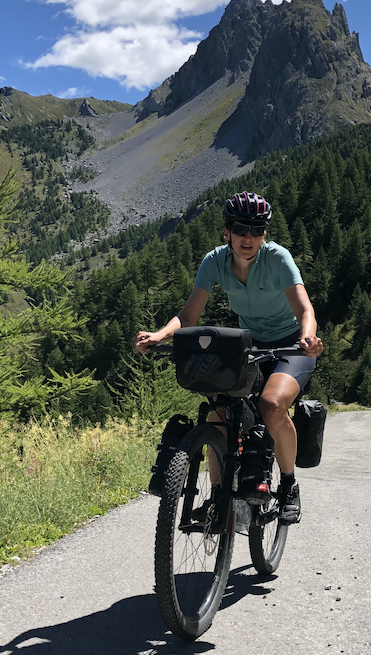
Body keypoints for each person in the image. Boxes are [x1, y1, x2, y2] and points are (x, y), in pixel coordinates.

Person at [134, 191, 323, 524]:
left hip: (292, 346)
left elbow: (304, 308)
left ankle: (289, 484)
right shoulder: (214, 261)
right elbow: (189, 315)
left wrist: (308, 337)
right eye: (240, 229)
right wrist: (161, 335)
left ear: (265, 234)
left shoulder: (278, 259)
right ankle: (220, 501)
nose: (247, 237)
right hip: (249, 346)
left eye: (256, 229)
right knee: (218, 413)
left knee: (272, 405)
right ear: (227, 232)